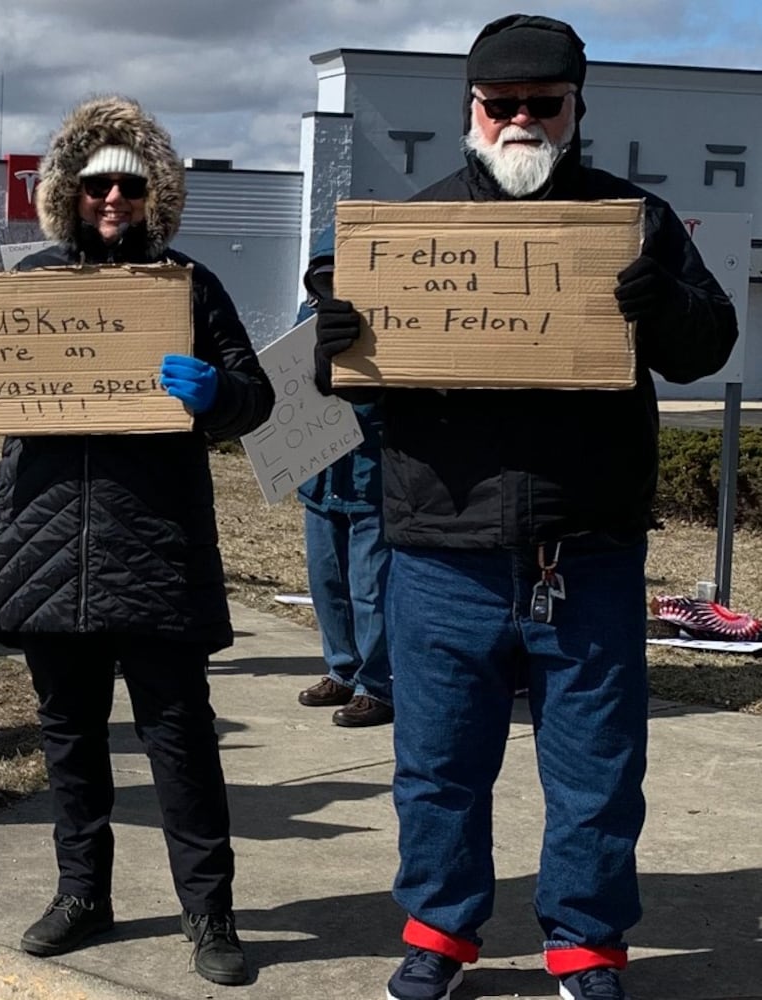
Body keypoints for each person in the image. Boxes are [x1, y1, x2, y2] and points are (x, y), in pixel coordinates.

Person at [311, 17, 738, 1000]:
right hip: (437, 550)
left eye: (542, 106)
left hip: (582, 551)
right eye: (500, 106)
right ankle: (438, 937)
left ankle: (586, 945)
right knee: (436, 769)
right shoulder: (408, 233)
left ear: (578, 108)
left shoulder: (636, 222)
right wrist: (340, 347)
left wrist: (659, 303)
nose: (520, 123)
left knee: (594, 771)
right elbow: (348, 392)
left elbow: (706, 343)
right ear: (470, 110)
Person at [0, 95, 274, 987]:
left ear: (153, 192)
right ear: (65, 198)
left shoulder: (188, 285)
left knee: (179, 738)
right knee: (69, 737)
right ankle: (83, 893)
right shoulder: (27, 284)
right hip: (45, 544)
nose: (108, 201)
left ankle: (209, 913)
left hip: (153, 543)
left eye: (125, 185)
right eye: (91, 189)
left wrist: (215, 396)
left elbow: (256, 396)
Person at [293, 228, 393, 728]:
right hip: (318, 475)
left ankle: (377, 685)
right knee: (326, 582)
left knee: (370, 587)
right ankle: (342, 669)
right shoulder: (306, 318)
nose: (331, 284)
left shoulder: (388, 321)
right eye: (322, 274)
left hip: (371, 476)